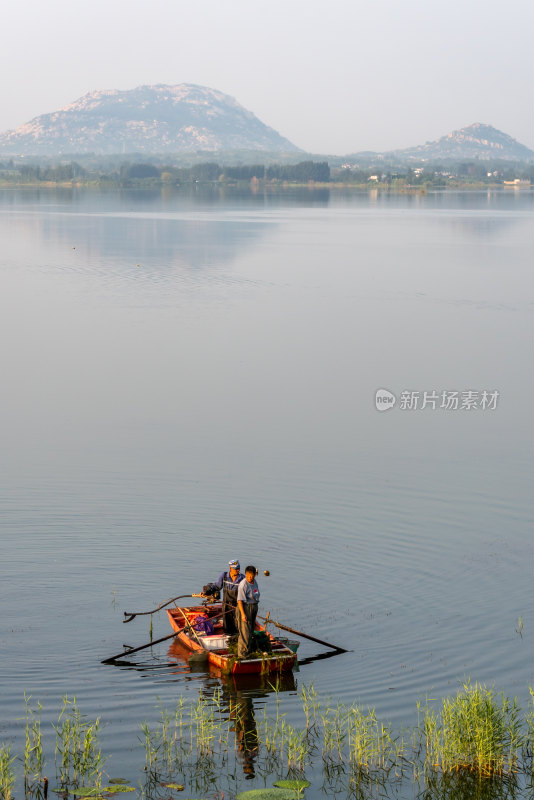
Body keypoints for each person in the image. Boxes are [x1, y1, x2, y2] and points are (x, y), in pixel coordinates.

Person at [202, 559, 245, 635]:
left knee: (237, 624)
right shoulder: (224, 576)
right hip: (226, 604)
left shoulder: (242, 578)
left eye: (238, 568)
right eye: (235, 569)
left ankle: (237, 636)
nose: (237, 570)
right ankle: (227, 635)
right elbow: (216, 586)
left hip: (237, 605)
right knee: (227, 623)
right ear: (230, 568)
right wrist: (207, 592)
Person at [236, 565, 260, 659]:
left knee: (251, 631)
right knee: (244, 632)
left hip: (254, 607)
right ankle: (242, 655)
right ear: (245, 574)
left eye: (252, 576)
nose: (250, 578)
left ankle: (248, 650)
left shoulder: (255, 582)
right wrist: (243, 614)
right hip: (245, 608)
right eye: (248, 576)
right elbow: (239, 601)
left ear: (254, 575)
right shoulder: (243, 584)